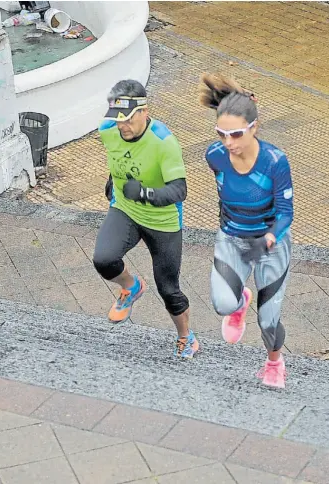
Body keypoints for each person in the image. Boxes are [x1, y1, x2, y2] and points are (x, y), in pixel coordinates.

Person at [199, 72, 294, 388]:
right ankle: (239, 303)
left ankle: (274, 363)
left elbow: (285, 213)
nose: (229, 143)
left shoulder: (275, 161)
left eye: (236, 134)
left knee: (268, 320)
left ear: (254, 128)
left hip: (270, 242)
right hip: (232, 238)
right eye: (222, 134)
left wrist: (267, 239)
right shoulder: (215, 156)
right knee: (222, 303)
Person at [92, 79, 199, 359]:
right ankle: (131, 287)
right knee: (103, 259)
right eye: (117, 119)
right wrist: (112, 181)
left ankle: (186, 337)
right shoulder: (108, 131)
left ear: (144, 112)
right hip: (125, 209)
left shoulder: (164, 142)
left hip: (162, 221)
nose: (121, 126)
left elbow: (180, 190)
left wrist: (144, 192)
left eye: (127, 119)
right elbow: (121, 158)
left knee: (168, 289)